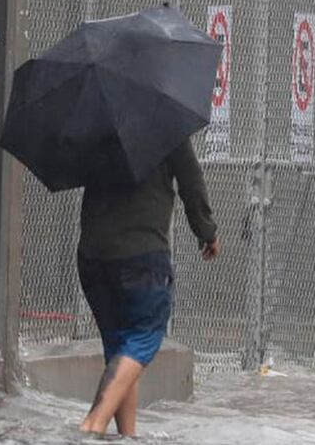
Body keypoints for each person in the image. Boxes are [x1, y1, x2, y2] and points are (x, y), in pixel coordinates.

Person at [77, 137, 219, 437]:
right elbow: (191, 182)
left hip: (94, 255)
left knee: (119, 347)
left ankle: (128, 436)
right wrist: (206, 231)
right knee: (144, 335)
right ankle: (95, 422)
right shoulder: (165, 122)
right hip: (142, 255)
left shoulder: (98, 120)